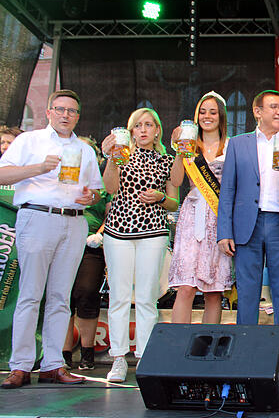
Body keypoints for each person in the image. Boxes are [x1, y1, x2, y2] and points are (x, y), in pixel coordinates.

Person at [0, 90, 103, 389]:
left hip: (73, 221)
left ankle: (53, 364)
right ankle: (19, 366)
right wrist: (39, 168)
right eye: (60, 109)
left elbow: (95, 191)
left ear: (78, 116)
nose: (65, 115)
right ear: (48, 112)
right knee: (30, 294)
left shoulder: (84, 150)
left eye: (71, 111)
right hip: (37, 215)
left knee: (61, 297)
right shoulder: (29, 141)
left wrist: (90, 196)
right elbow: (2, 174)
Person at [217, 90, 279, 344]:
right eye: (273, 107)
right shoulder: (238, 144)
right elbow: (227, 190)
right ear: (257, 112)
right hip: (248, 225)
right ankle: (244, 355)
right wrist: (224, 232)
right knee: (247, 294)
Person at [101, 107, 178, 382]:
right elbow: (109, 188)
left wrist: (160, 197)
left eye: (148, 125)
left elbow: (174, 200)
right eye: (137, 125)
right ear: (131, 131)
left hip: (153, 231)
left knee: (147, 297)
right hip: (118, 231)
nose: (143, 130)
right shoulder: (121, 154)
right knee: (119, 297)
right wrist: (111, 159)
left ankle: (145, 357)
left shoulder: (166, 160)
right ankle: (118, 358)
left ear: (157, 130)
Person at [168, 92, 232, 324]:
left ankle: (207, 349)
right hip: (193, 214)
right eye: (202, 112)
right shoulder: (189, 144)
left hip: (218, 216)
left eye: (213, 112)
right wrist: (178, 151)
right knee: (185, 286)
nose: (207, 116)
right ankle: (177, 348)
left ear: (221, 116)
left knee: (214, 291)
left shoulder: (231, 147)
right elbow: (175, 181)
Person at [62, 137, 108, 371]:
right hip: (62, 239)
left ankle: (87, 354)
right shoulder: (61, 177)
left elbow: (111, 212)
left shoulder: (101, 182)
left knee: (87, 293)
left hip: (91, 244)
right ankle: (63, 353)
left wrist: (99, 234)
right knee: (62, 296)